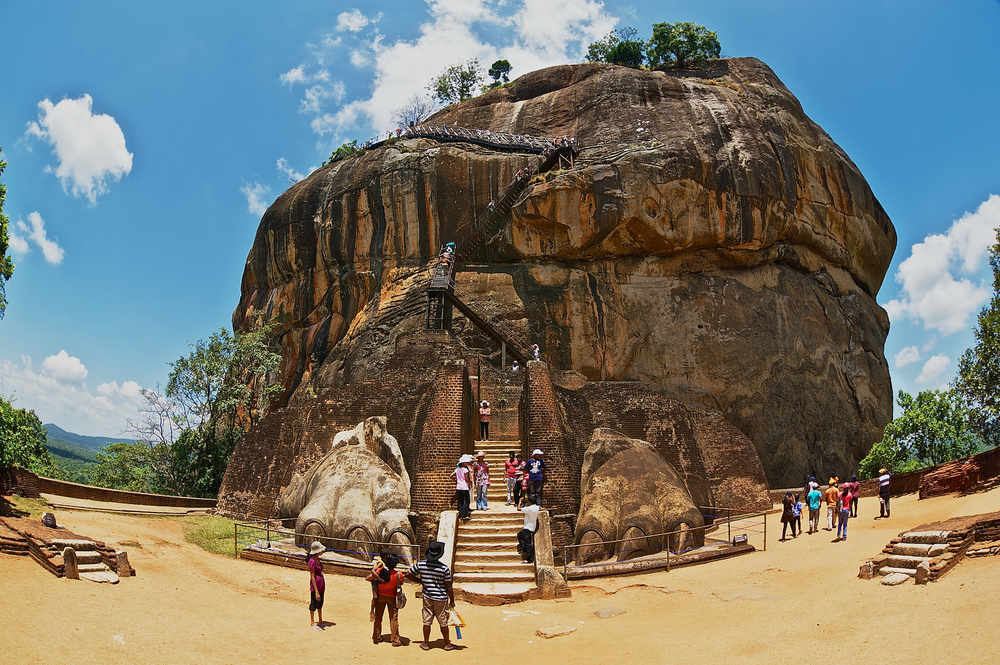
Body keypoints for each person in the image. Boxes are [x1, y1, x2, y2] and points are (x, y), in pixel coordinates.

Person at [406, 540, 456, 651]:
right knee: (443, 621)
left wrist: (420, 580)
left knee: (427, 621)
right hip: (441, 599)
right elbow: (448, 586)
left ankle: (426, 643)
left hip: (427, 596)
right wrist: (452, 600)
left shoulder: (421, 564)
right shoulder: (444, 568)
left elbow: (408, 574)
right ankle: (447, 644)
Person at [366, 553, 402, 645]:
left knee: (378, 617)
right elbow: (401, 582)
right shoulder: (398, 574)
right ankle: (395, 640)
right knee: (393, 618)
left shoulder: (380, 571)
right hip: (392, 597)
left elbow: (368, 578)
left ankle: (376, 637)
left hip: (381, 596)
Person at [307, 541, 326, 629]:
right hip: (316, 585)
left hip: (321, 584)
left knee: (320, 602)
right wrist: (316, 591)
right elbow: (312, 576)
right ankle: (312, 621)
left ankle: (320, 619)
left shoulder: (318, 560)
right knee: (314, 602)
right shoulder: (312, 561)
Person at [518, 497, 541, 563]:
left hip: (528, 528)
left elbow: (518, 509)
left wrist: (520, 501)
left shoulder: (530, 509)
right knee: (519, 535)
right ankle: (523, 549)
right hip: (532, 527)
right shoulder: (536, 507)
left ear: (530, 502)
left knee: (528, 544)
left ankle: (530, 559)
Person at [452, 455, 473, 520]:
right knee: (467, 501)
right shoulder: (465, 469)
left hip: (459, 487)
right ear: (463, 463)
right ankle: (465, 514)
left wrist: (456, 481)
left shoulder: (457, 469)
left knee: (461, 501)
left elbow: (451, 476)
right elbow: (466, 478)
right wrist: (470, 484)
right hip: (464, 487)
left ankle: (461, 515)